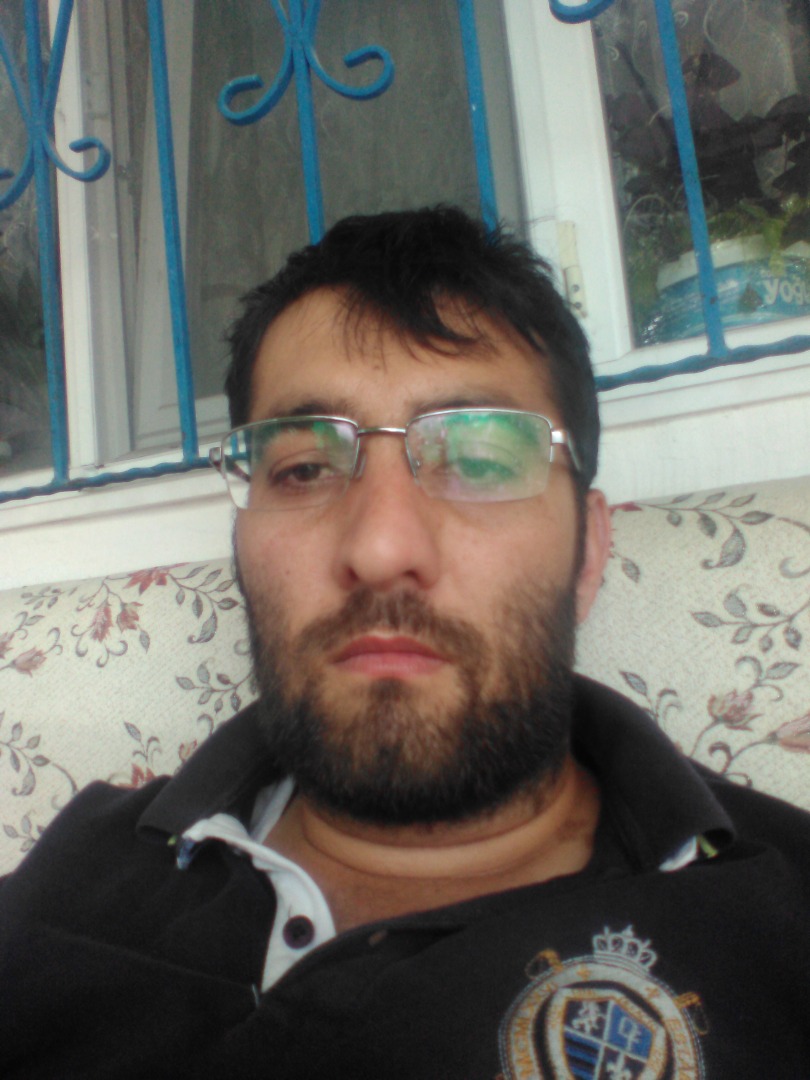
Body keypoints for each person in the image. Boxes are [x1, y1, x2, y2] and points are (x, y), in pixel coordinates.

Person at [1, 206, 808, 1079]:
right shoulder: (77, 867)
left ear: (588, 552)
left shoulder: (783, 917)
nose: (382, 548)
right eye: (304, 468)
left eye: (480, 458)